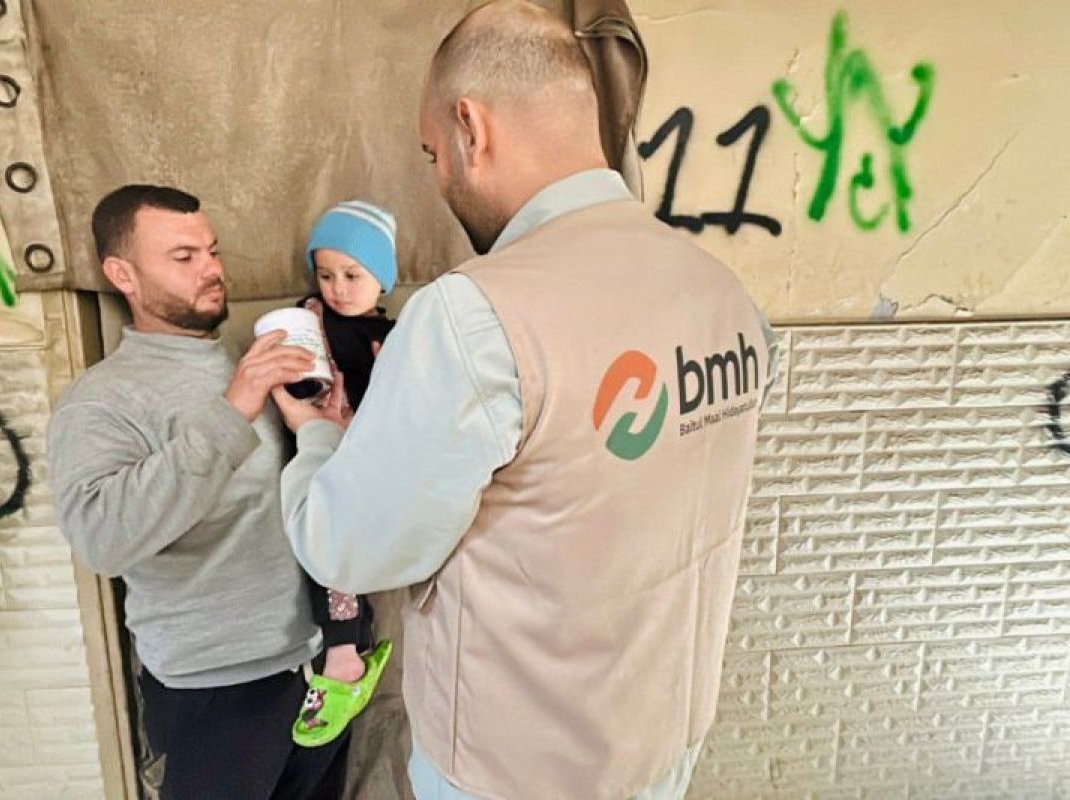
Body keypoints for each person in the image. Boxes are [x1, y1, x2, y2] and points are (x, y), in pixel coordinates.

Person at [274, 2, 779, 798]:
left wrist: (318, 437)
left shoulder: (475, 316)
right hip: (663, 742)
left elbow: (350, 547)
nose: (439, 178)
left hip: (514, 768)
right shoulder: (722, 293)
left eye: (433, 154)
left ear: (471, 127)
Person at [47, 184, 348, 799]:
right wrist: (235, 409)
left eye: (212, 251)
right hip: (211, 693)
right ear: (122, 274)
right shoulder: (101, 400)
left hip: (314, 668)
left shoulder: (245, 362)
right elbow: (101, 539)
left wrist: (322, 430)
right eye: (183, 257)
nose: (210, 269)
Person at [289, 200, 398, 746]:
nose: (338, 288)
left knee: (344, 558)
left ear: (383, 278)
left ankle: (347, 653)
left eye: (353, 275)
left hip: (371, 464)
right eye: (326, 274)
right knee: (328, 558)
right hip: (322, 455)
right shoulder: (310, 320)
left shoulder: (396, 335)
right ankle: (344, 654)